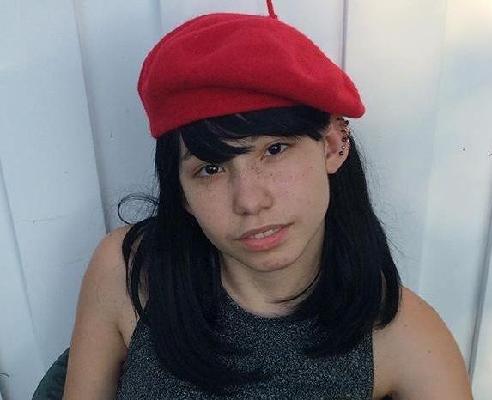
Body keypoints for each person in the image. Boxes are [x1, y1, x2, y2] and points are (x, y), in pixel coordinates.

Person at [60, 1, 473, 399]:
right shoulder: (128, 271)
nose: (250, 201)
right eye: (210, 168)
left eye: (274, 150)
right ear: (181, 193)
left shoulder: (407, 337)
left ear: (332, 145)